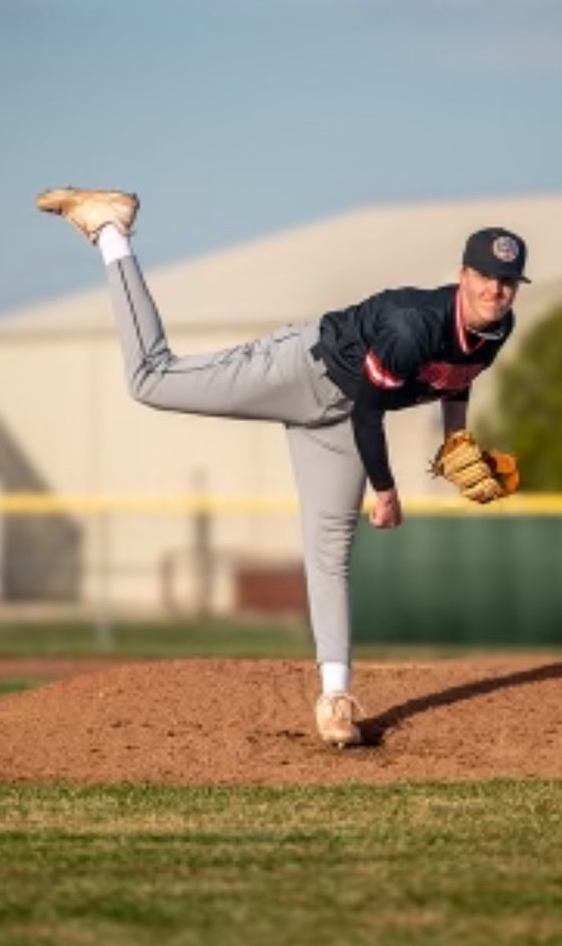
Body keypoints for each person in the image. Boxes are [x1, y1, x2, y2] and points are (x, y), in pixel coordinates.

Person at [36, 187, 528, 746]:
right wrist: (385, 490)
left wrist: (456, 438)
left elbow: (456, 380)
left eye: (507, 281)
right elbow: (371, 411)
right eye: (485, 276)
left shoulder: (495, 329)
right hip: (302, 370)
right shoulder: (413, 325)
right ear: (463, 275)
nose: (496, 288)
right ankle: (110, 231)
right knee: (150, 378)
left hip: (340, 425)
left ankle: (335, 697)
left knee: (330, 551)